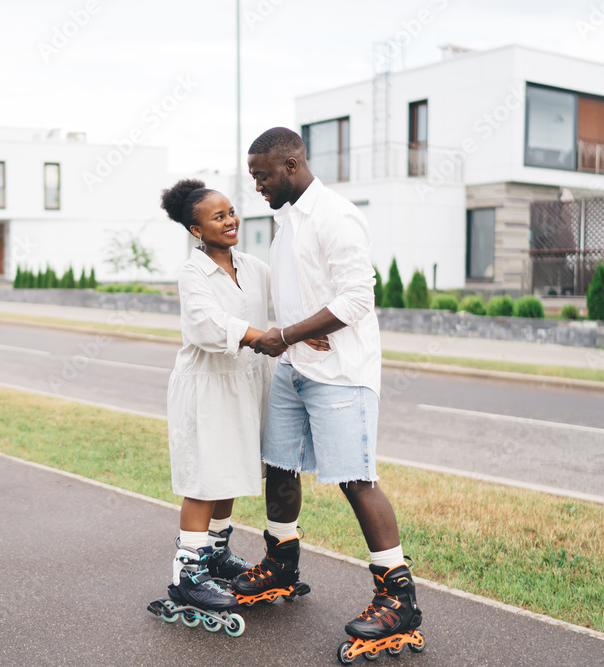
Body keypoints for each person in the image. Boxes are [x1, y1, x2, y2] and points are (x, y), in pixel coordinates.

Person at [232, 128, 422, 644]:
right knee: (280, 466)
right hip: (295, 367)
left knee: (356, 479)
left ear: (291, 165)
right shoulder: (286, 219)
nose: (257, 186)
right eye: (253, 176)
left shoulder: (335, 216)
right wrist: (293, 337)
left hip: (341, 374)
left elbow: (357, 298)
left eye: (262, 175)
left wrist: (290, 334)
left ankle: (397, 599)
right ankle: (281, 564)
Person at [158, 178, 329, 614]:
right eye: (218, 217)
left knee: (232, 467)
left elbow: (289, 301)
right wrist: (265, 337)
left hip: (249, 380)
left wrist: (307, 331)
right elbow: (207, 325)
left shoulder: (252, 266)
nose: (231, 220)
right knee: (206, 474)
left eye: (231, 211)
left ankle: (215, 550)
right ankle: (187, 572)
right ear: (197, 231)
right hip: (208, 383)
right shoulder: (192, 273)